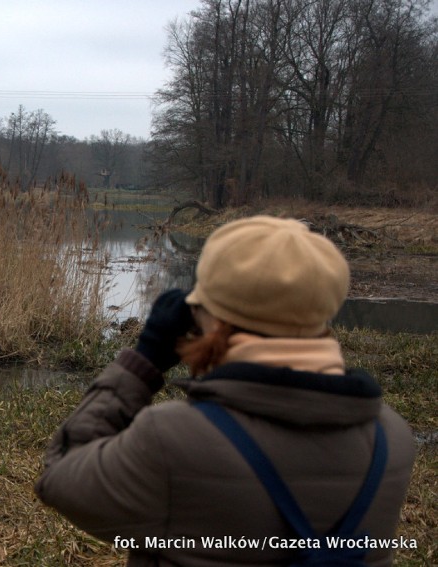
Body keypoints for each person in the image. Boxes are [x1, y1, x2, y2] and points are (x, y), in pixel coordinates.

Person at [35, 216, 415, 566]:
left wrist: (143, 362)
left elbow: (61, 475)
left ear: (210, 318)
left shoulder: (173, 438)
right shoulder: (393, 437)